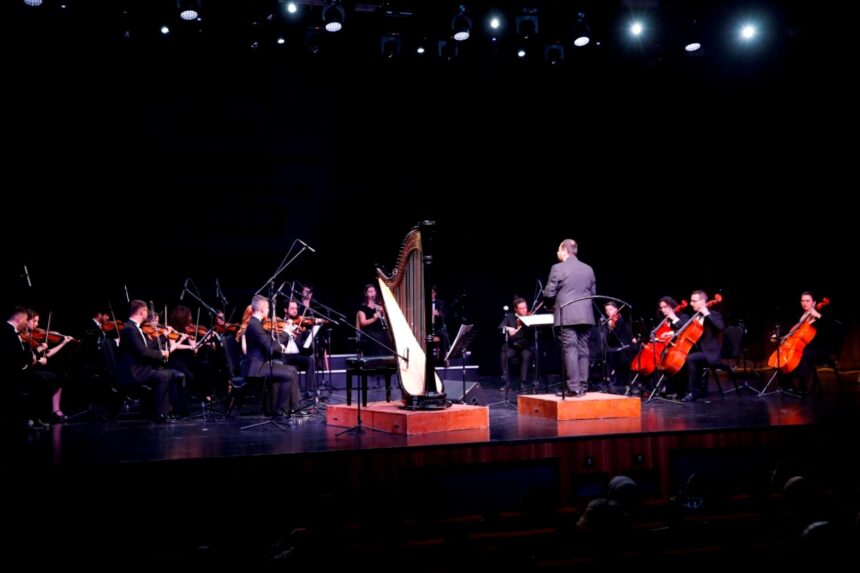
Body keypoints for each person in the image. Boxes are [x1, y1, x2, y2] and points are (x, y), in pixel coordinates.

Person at [542, 239, 596, 396]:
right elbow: (593, 293)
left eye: (558, 250)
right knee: (583, 349)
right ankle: (582, 386)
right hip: (586, 315)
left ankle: (573, 388)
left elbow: (549, 293)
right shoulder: (588, 269)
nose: (557, 253)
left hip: (567, 315)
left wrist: (550, 304)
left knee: (570, 349)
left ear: (565, 250)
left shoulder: (558, 268)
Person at [115, 300, 184, 422]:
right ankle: (161, 413)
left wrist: (164, 336)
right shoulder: (130, 329)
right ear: (142, 312)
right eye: (146, 311)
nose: (147, 313)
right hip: (134, 372)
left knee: (168, 374)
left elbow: (148, 346)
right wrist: (162, 354)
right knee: (165, 375)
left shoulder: (133, 327)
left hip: (139, 368)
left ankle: (166, 411)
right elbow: (143, 352)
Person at [242, 295, 300, 418]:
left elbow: (268, 344)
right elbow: (270, 348)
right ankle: (279, 410)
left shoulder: (256, 323)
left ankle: (292, 407)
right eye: (268, 308)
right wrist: (286, 332)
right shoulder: (254, 324)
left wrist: (279, 344)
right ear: (262, 309)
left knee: (292, 370)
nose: (269, 310)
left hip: (260, 365)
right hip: (256, 369)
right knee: (289, 374)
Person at [780, 291, 832, 395]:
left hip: (819, 347)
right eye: (802, 301)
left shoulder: (820, 314)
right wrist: (779, 336)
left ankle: (803, 384)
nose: (804, 303)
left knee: (805, 353)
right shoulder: (802, 316)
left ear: (814, 303)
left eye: (807, 301)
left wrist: (818, 315)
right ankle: (786, 384)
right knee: (782, 351)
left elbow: (833, 327)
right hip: (805, 345)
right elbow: (791, 329)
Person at [681, 290, 725, 402]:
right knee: (682, 357)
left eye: (694, 301)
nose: (691, 303)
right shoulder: (694, 316)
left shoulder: (713, 314)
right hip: (698, 351)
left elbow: (720, 327)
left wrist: (707, 313)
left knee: (691, 358)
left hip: (710, 353)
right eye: (691, 301)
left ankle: (694, 392)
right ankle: (682, 390)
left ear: (702, 302)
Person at [499, 297, 535, 390]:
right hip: (513, 346)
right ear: (516, 309)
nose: (524, 310)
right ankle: (506, 383)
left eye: (525, 307)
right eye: (521, 308)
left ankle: (523, 382)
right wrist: (508, 328)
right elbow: (500, 327)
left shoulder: (530, 317)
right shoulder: (510, 316)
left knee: (526, 355)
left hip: (525, 346)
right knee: (504, 354)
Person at [601, 300, 633, 389]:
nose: (608, 312)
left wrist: (613, 327)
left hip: (623, 347)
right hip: (613, 347)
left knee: (616, 356)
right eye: (606, 310)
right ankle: (609, 380)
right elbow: (608, 340)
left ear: (616, 309)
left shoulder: (622, 320)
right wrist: (608, 328)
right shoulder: (608, 322)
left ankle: (620, 382)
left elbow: (621, 335)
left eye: (610, 309)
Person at [356, 284, 389, 356]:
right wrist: (374, 318)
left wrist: (383, 312)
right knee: (378, 337)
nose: (372, 293)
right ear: (366, 294)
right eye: (370, 291)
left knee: (386, 335)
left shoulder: (379, 305)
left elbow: (386, 321)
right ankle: (378, 359)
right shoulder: (363, 307)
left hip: (379, 330)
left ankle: (386, 360)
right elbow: (363, 322)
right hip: (369, 332)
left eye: (374, 291)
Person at [431, 285, 451, 360]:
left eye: (432, 293)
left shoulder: (440, 303)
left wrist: (438, 314)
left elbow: (444, 316)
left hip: (437, 328)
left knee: (444, 335)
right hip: (426, 328)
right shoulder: (422, 303)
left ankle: (445, 357)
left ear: (435, 293)